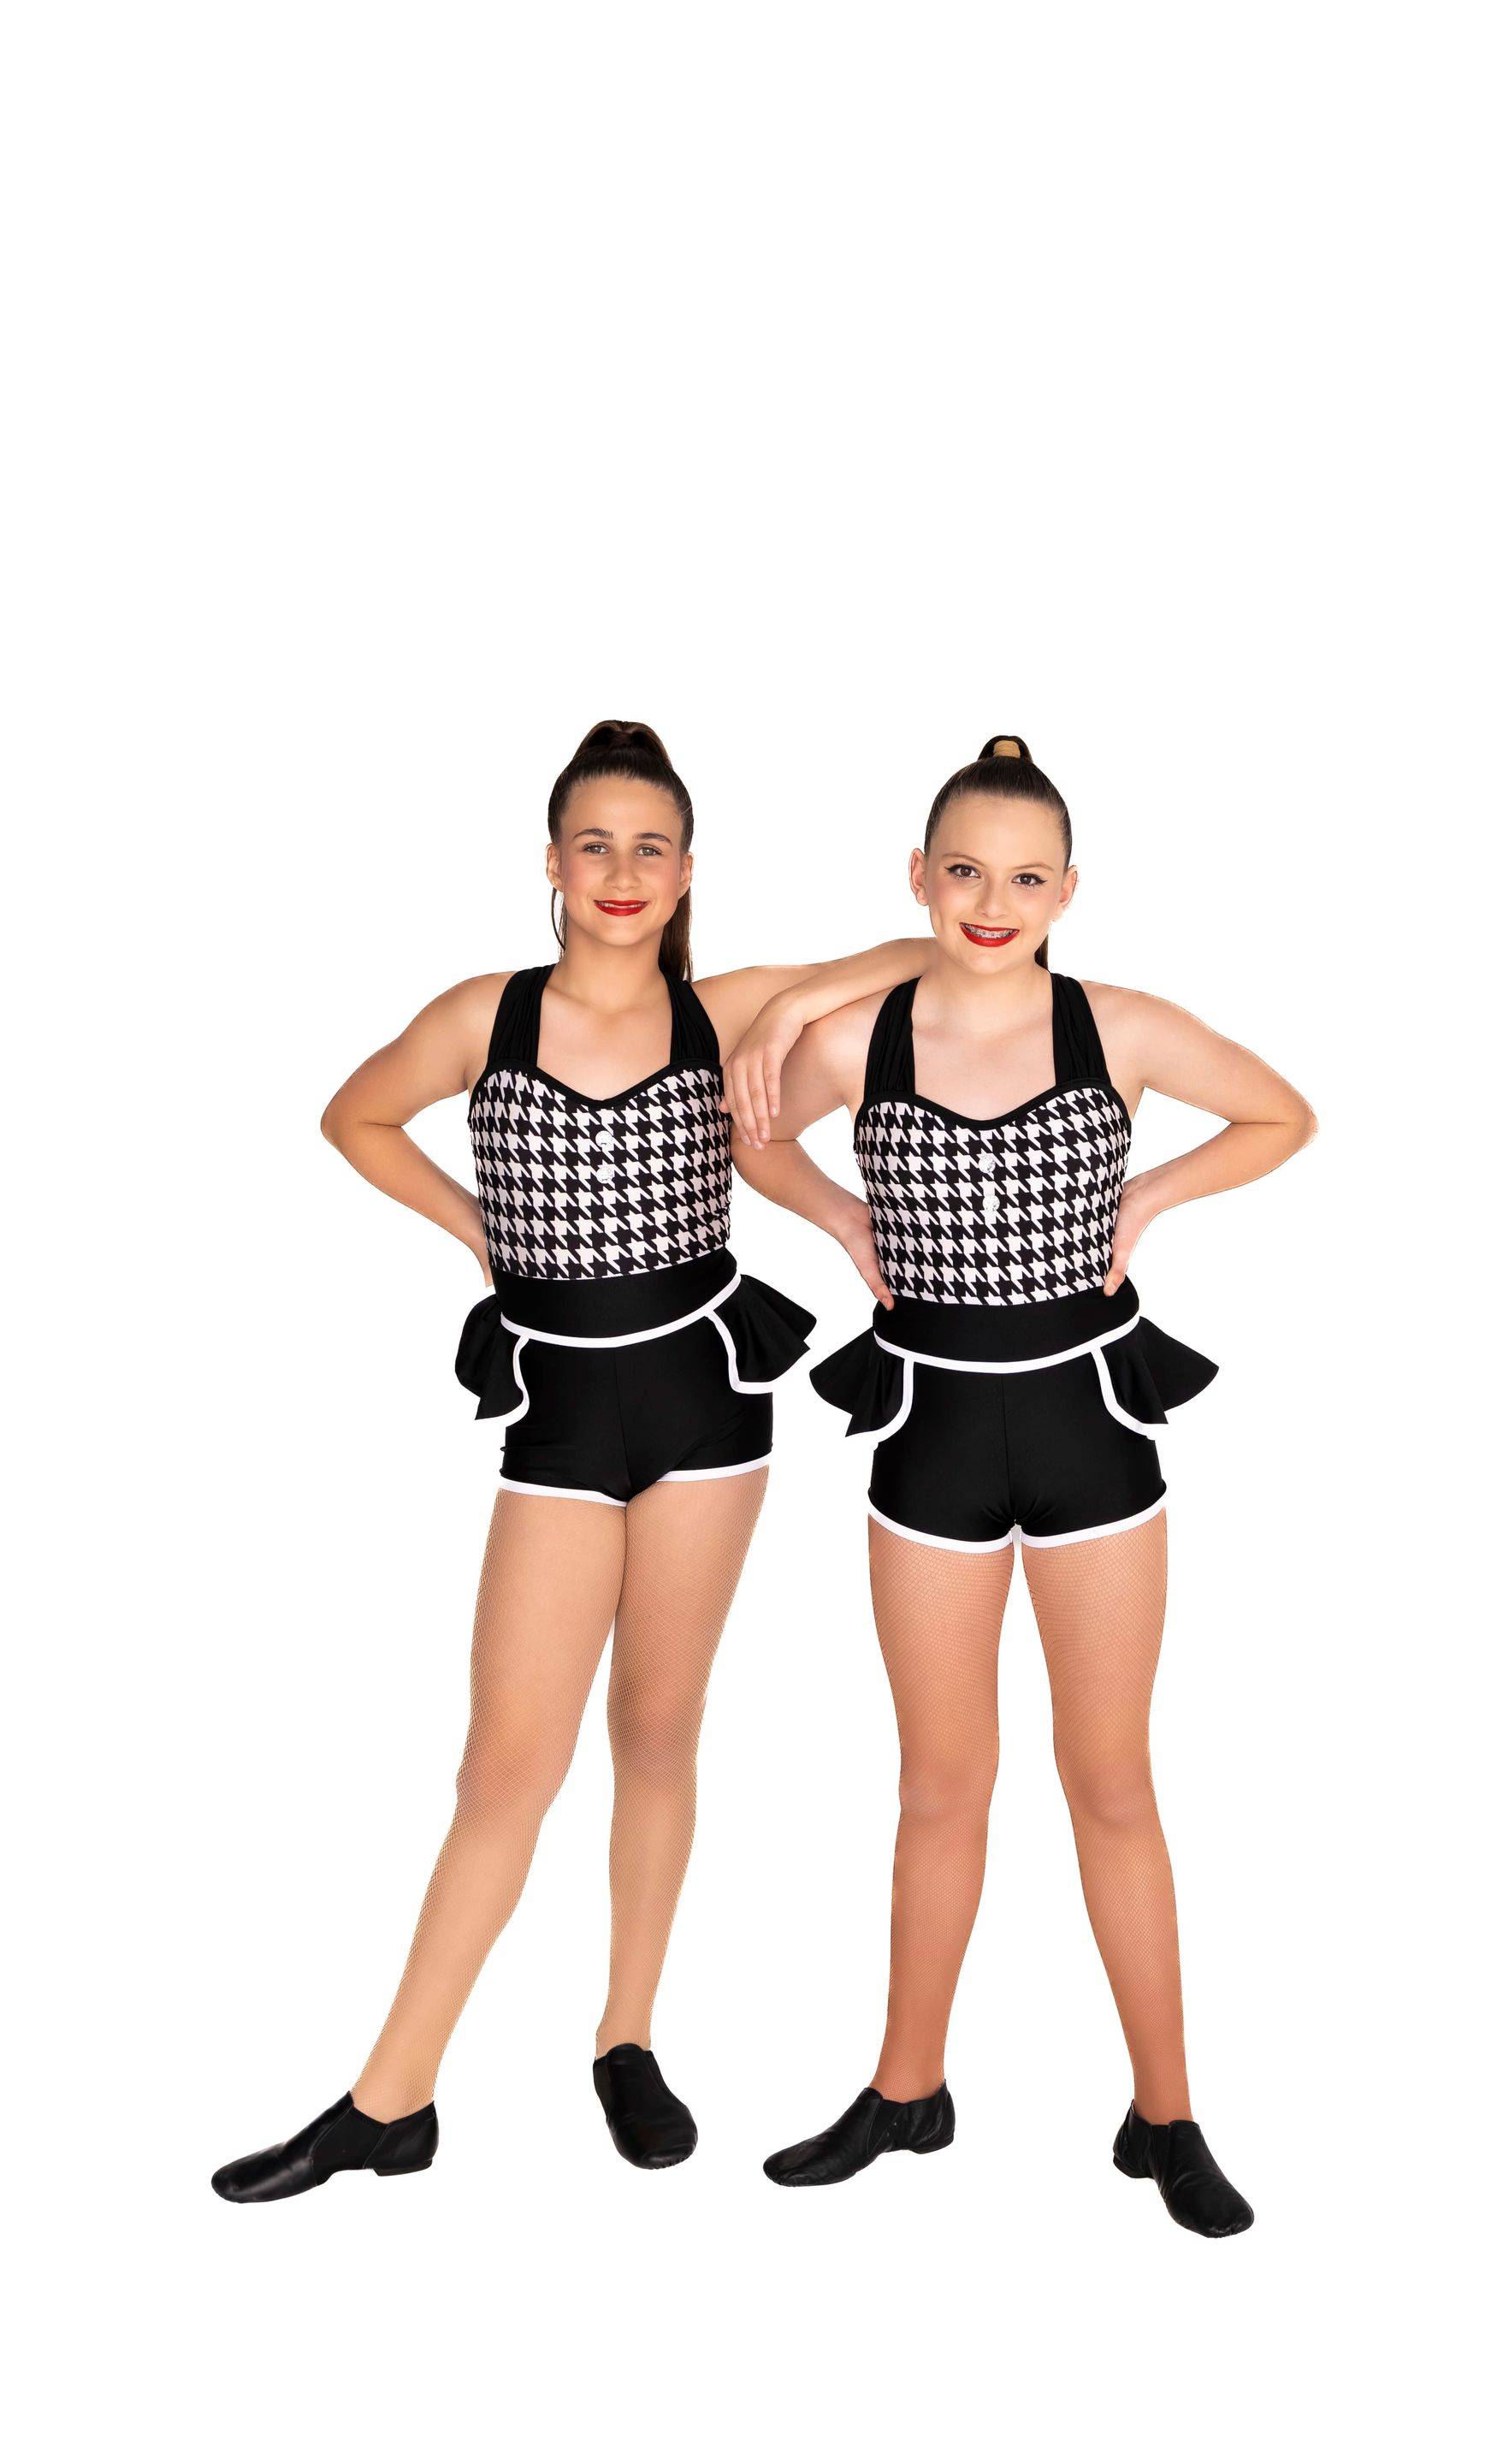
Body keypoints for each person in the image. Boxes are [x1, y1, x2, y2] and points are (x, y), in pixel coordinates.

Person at [211, 720, 923, 2202]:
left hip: (709, 1411)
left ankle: (626, 2040)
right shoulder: (489, 1014)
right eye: (593, 843)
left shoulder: (718, 1012)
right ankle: (389, 2100)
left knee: (659, 1732)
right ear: (551, 862)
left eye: (649, 846)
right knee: (505, 1768)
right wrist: (484, 1233)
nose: (620, 871)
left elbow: (905, 954)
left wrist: (793, 1019)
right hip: (562, 1418)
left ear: (683, 873)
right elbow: (354, 1114)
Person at [731, 735, 1316, 2236]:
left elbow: (1282, 1115)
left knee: (1111, 1781)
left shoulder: (1114, 1025)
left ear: (1071, 891)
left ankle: (1166, 2113)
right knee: (939, 1784)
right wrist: (840, 1219)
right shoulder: (863, 1034)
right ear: (919, 881)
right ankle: (906, 2088)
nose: (996, 900)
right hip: (927, 1429)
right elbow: (750, 1132)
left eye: (1028, 876)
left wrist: (1154, 1192)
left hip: (1091, 1438)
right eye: (968, 872)